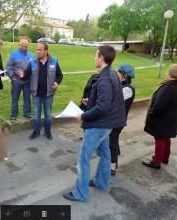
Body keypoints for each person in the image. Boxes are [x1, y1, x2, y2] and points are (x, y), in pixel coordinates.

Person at [63, 45, 126, 202]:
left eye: (96, 55)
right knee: (105, 154)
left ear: (102, 58)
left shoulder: (105, 78)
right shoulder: (112, 73)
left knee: (83, 159)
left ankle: (81, 194)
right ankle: (101, 182)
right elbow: (108, 101)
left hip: (99, 125)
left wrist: (84, 115)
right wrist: (90, 101)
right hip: (108, 124)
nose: (94, 58)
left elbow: (103, 106)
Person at [142, 64, 177, 170]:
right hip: (172, 118)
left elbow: (159, 105)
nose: (166, 74)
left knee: (160, 138)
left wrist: (151, 113)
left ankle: (156, 161)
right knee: (166, 137)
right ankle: (164, 157)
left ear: (171, 75)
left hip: (163, 118)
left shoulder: (168, 87)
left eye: (167, 72)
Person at [20, 42, 63, 140]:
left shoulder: (54, 62)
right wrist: (21, 74)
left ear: (46, 51)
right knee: (36, 115)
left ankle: (47, 132)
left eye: (40, 49)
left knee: (48, 115)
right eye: (37, 49)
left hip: (48, 93)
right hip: (36, 94)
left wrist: (57, 82)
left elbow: (60, 75)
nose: (38, 51)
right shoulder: (33, 62)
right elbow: (26, 74)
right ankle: (36, 131)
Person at [109, 64, 135, 176]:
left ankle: (112, 167)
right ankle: (115, 156)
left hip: (117, 121)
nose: (116, 73)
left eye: (118, 72)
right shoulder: (121, 85)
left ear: (124, 76)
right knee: (113, 140)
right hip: (115, 119)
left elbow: (113, 101)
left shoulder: (128, 89)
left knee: (112, 143)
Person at [6, 39, 35, 120]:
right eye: (23, 46)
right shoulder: (13, 54)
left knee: (27, 98)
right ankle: (14, 115)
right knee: (15, 98)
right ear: (19, 45)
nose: (25, 48)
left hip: (28, 81)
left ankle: (27, 113)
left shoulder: (31, 55)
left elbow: (34, 67)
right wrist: (13, 77)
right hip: (17, 80)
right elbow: (8, 67)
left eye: (26, 46)